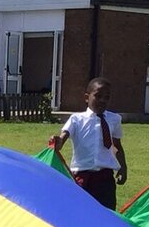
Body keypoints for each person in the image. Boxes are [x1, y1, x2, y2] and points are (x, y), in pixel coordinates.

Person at [48, 77, 127, 210]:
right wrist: (58, 141)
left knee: (106, 214)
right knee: (81, 212)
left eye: (106, 97)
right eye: (98, 96)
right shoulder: (76, 120)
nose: (102, 100)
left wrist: (123, 168)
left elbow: (116, 146)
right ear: (87, 97)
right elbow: (63, 138)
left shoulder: (114, 119)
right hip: (82, 178)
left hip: (105, 178)